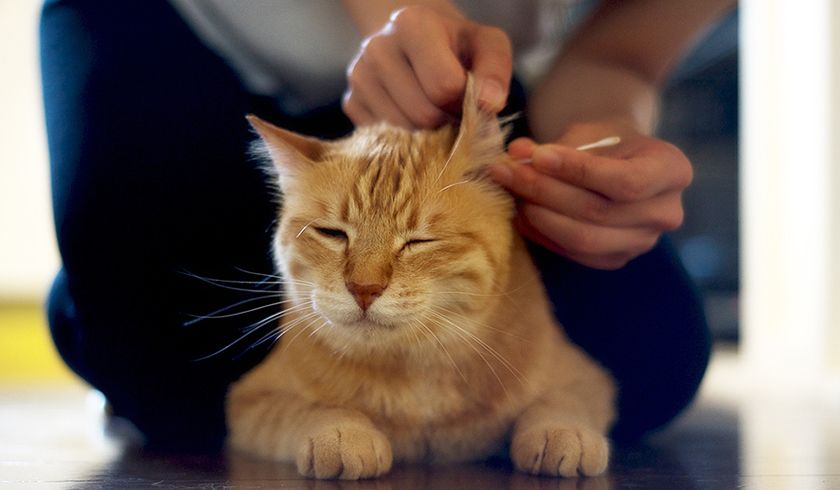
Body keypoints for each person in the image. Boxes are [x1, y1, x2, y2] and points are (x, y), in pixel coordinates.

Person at [40, 0, 735, 451]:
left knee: (647, 360)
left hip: (458, 97)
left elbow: (616, 56)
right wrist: (387, 15)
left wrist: (603, 147)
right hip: (181, 26)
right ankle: (91, 293)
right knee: (163, 365)